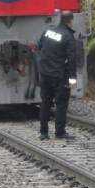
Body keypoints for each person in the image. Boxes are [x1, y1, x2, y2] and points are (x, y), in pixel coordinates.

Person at [37, 11, 77, 140]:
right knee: (61, 103)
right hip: (59, 75)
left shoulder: (48, 31)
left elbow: (39, 46)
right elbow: (72, 60)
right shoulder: (68, 36)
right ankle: (59, 132)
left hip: (45, 73)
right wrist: (72, 80)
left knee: (45, 102)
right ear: (70, 21)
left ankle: (43, 133)